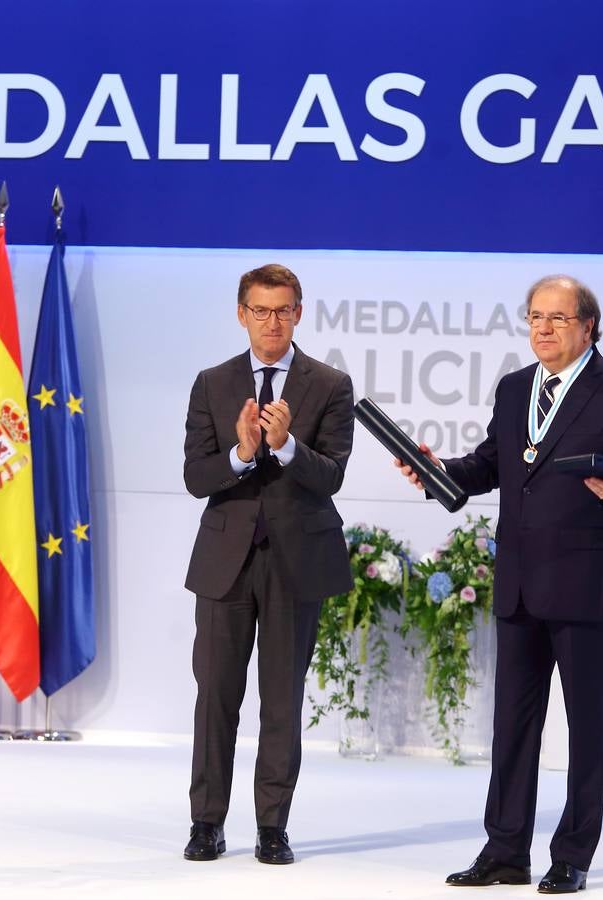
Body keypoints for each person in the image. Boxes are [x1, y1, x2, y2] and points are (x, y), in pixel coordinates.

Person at [396, 274, 603, 893]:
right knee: (513, 725)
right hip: (520, 584)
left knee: (587, 727)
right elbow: (492, 464)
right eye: (534, 318)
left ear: (587, 327)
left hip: (589, 587)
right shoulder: (515, 387)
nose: (542, 329)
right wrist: (441, 472)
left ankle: (572, 854)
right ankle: (504, 850)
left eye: (556, 319)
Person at [181, 264, 355, 864]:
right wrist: (241, 453)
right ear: (242, 314)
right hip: (225, 562)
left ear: (298, 314)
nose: (272, 321)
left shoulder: (330, 384)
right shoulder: (212, 382)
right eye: (261, 310)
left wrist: (285, 448)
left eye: (283, 310)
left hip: (295, 561)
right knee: (216, 697)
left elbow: (331, 474)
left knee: (282, 697)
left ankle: (272, 827)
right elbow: (196, 476)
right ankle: (207, 823)